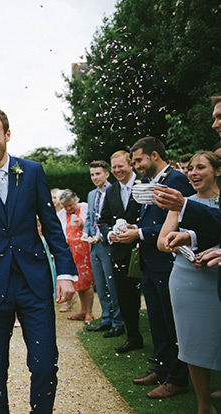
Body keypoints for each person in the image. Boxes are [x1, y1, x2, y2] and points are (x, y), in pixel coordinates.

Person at [0, 107, 77, 414]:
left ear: (7, 135)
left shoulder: (32, 171)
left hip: (33, 283)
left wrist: (65, 272)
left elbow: (51, 226)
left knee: (46, 364)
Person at [126, 137, 194, 399]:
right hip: (150, 263)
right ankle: (162, 368)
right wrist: (135, 229)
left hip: (167, 262)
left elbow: (179, 222)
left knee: (172, 321)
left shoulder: (176, 180)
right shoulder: (150, 184)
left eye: (139, 160)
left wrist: (140, 234)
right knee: (157, 319)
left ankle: (178, 378)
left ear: (154, 155)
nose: (136, 166)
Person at [157, 151, 221, 414]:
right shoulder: (183, 203)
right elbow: (162, 241)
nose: (193, 173)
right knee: (192, 340)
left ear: (217, 171)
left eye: (200, 167)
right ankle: (203, 404)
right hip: (188, 279)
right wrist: (186, 250)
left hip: (216, 277)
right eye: (190, 169)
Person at [97, 150, 144, 354]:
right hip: (119, 253)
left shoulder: (144, 185)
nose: (117, 171)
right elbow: (103, 220)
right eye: (114, 167)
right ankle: (133, 337)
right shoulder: (112, 191)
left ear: (130, 164)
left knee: (151, 297)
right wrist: (109, 235)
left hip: (143, 250)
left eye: (120, 166)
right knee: (125, 296)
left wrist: (137, 230)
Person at [83, 160, 124, 337]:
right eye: (92, 174)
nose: (94, 178)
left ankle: (118, 322)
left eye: (97, 174)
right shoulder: (91, 194)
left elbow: (116, 218)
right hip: (93, 245)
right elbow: (89, 218)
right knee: (100, 283)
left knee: (112, 284)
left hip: (108, 243)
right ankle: (106, 318)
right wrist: (86, 234)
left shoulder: (115, 191)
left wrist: (101, 235)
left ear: (107, 174)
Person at [57, 189, 95, 324]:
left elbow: (93, 226)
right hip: (71, 253)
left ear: (75, 201)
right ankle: (83, 310)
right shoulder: (61, 214)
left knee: (87, 282)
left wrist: (82, 225)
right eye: (65, 206)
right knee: (78, 282)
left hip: (85, 252)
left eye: (70, 205)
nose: (68, 208)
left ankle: (89, 312)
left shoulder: (85, 208)